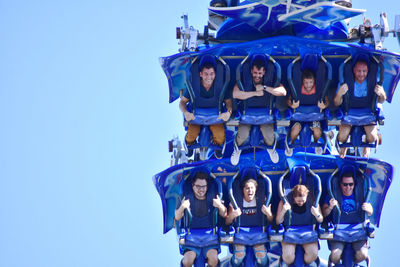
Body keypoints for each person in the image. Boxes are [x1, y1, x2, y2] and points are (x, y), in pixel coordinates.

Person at [230, 58, 286, 165]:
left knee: (269, 136)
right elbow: (235, 94)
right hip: (247, 115)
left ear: (264, 72)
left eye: (260, 73)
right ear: (251, 71)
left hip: (265, 115)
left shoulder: (270, 80)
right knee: (243, 134)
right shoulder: (244, 79)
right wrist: (255, 93)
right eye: (255, 72)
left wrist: (264, 88)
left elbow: (283, 92)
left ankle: (271, 148)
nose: (257, 75)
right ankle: (237, 149)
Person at [334, 59, 386, 158]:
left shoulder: (374, 81)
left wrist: (382, 94)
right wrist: (340, 93)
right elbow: (336, 102)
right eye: (359, 71)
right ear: (354, 70)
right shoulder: (345, 81)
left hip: (368, 114)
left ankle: (367, 144)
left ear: (368, 71)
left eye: (364, 71)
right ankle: (343, 147)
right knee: (342, 137)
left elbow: (381, 100)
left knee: (372, 138)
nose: (361, 74)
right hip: (349, 113)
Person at [175, 172, 227, 267]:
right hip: (191, 236)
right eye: (198, 186)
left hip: (210, 236)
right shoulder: (185, 198)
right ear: (193, 186)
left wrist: (219, 205)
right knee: (187, 261)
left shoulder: (213, 196)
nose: (201, 190)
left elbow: (224, 214)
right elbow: (177, 217)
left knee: (214, 260)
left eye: (203, 186)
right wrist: (182, 207)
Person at [322, 170, 373, 265]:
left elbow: (370, 212)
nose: (348, 187)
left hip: (358, 230)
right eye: (345, 184)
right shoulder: (332, 194)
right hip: (339, 230)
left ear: (354, 184)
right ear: (340, 184)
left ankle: (353, 263)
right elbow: (324, 213)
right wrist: (330, 207)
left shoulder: (361, 193)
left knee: (363, 255)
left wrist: (369, 210)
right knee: (335, 256)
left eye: (351, 184)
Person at [179, 61, 232, 149]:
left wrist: (228, 113)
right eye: (206, 74)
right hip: (196, 117)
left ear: (215, 74)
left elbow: (229, 102)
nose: (209, 77)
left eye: (211, 74)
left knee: (220, 138)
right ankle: (189, 144)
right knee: (191, 136)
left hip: (215, 117)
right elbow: (182, 102)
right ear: (200, 74)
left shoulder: (220, 86)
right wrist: (185, 113)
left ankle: (217, 146)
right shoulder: (193, 85)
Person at [225, 178, 273, 267]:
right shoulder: (235, 201)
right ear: (243, 190)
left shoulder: (262, 200)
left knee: (261, 256)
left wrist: (268, 213)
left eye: (252, 188)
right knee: (239, 255)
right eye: (247, 188)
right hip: (240, 233)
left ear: (255, 189)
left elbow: (271, 220)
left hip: (259, 232)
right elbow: (227, 222)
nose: (250, 190)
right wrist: (233, 215)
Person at [276, 184, 323, 265]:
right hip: (290, 232)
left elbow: (320, 219)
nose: (301, 203)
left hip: (308, 232)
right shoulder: (285, 201)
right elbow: (278, 221)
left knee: (312, 255)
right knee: (288, 257)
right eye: (298, 201)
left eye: (303, 201)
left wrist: (316, 214)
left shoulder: (313, 201)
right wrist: (283, 211)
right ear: (293, 197)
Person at [286, 69, 329, 156]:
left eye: (311, 82)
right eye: (306, 82)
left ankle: (317, 143)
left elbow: (327, 101)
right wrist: (292, 105)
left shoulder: (319, 89)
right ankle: (291, 144)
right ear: (302, 82)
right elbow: (288, 100)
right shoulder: (297, 89)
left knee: (316, 129)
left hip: (314, 116)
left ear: (314, 82)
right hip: (299, 117)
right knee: (296, 129)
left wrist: (324, 106)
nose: (308, 85)